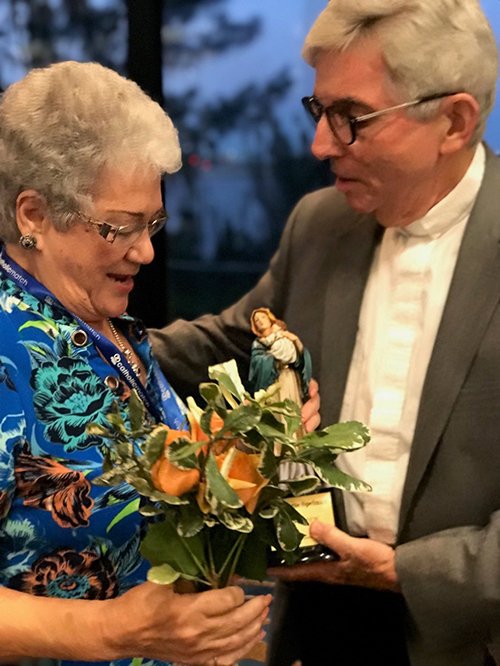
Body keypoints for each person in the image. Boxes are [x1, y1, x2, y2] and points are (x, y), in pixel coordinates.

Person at [149, 0, 500, 664]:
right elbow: (227, 345)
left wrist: (407, 571)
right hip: (316, 620)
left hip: (470, 632)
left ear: (453, 121)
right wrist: (74, 341)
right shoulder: (319, 223)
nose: (319, 146)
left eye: (352, 119)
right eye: (320, 113)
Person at [0, 61, 272, 666]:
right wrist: (110, 632)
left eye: (153, 224)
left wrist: (257, 441)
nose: (146, 251)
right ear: (33, 216)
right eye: (118, 228)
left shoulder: (110, 327)